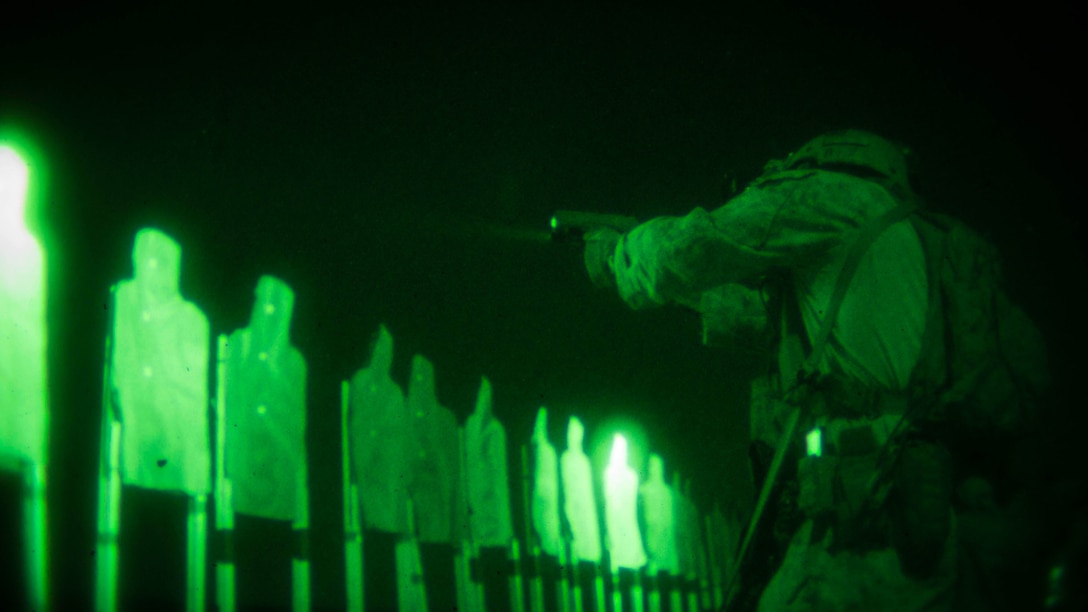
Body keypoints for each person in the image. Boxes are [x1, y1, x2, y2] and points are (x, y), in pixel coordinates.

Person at [581, 129, 1048, 610]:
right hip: (924, 520)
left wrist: (621, 255)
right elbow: (776, 322)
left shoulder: (826, 198)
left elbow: (691, 248)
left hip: (859, 523)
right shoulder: (917, 241)